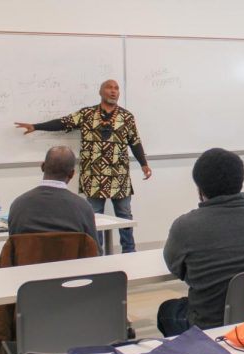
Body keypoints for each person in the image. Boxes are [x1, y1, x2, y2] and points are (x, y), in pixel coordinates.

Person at [157, 148, 244, 337]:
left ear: (199, 188)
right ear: (240, 181)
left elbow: (177, 270)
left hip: (212, 326)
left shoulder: (185, 226)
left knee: (167, 311)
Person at [14, 79, 151, 253]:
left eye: (116, 88)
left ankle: (129, 252)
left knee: (125, 216)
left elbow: (135, 142)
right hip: (93, 175)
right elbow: (63, 122)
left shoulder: (127, 116)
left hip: (119, 175)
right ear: (101, 92)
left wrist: (144, 164)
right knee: (93, 218)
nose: (113, 91)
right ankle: (96, 252)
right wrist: (36, 126)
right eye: (109, 88)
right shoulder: (87, 114)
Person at [7, 146, 97, 247]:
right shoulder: (83, 207)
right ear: (72, 174)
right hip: (70, 262)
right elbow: (94, 251)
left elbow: (13, 248)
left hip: (29, 262)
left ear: (42, 166)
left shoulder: (18, 205)